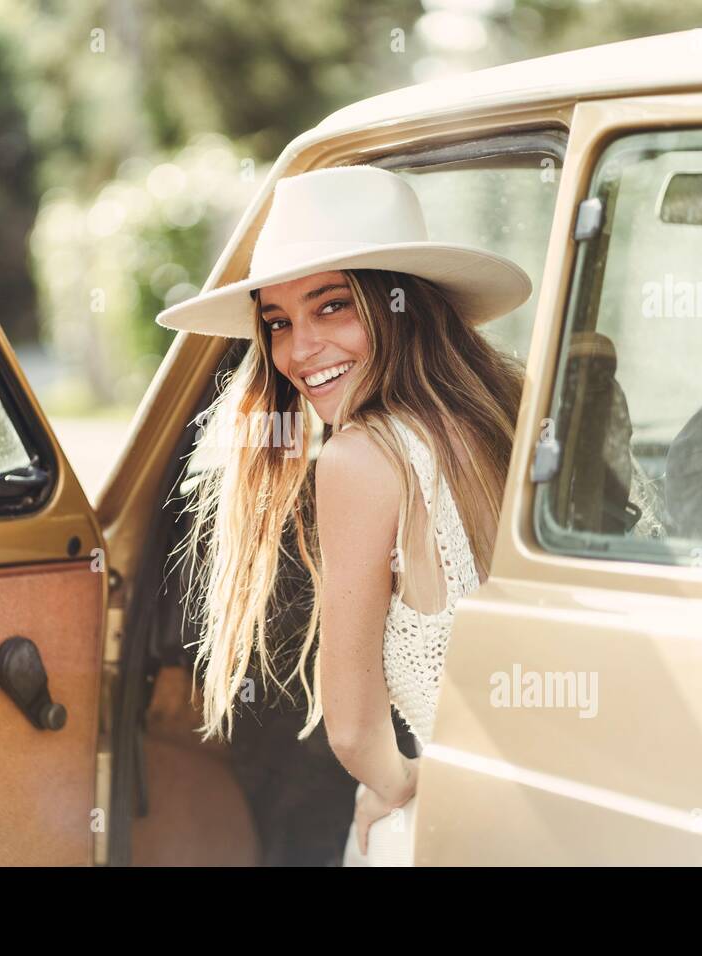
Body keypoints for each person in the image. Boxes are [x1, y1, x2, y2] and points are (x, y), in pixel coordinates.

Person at [154, 164, 530, 866]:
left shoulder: (360, 459)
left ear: (400, 304)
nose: (299, 350)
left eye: (332, 307)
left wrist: (399, 786)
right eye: (277, 322)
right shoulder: (506, 415)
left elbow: (355, 734)